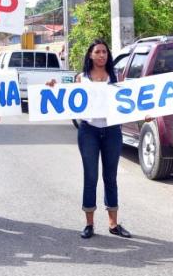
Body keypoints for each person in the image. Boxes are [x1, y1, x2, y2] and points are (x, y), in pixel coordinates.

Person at [49, 39, 131, 240]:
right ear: (90, 55)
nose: (102, 55)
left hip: (112, 131)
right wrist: (52, 88)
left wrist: (147, 112)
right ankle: (89, 224)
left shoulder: (116, 77)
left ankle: (113, 223)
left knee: (110, 177)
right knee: (91, 177)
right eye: (98, 52)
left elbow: (130, 102)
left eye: (105, 52)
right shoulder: (81, 78)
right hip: (89, 131)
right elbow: (65, 97)